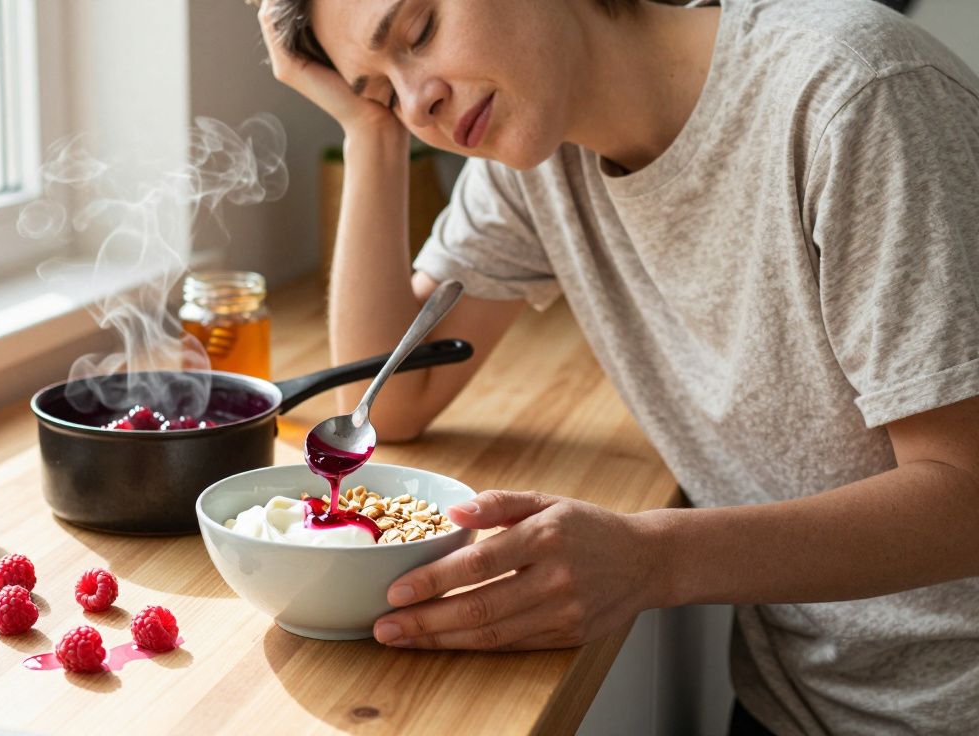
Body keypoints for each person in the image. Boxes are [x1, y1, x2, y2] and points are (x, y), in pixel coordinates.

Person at [251, 0, 979, 733]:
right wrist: (369, 131)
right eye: (381, 87)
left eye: (419, 31)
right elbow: (395, 398)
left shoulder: (853, 95)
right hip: (794, 703)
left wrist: (651, 560)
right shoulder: (534, 151)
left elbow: (968, 496)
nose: (418, 102)